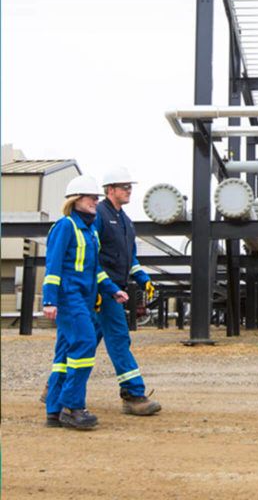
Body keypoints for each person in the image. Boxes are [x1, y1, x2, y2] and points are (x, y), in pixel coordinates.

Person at [43, 175, 129, 430]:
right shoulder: (65, 226)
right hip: (69, 299)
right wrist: (49, 300)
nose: (96, 201)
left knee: (64, 355)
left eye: (96, 198)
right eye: (91, 197)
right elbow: (53, 265)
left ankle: (54, 410)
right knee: (84, 342)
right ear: (76, 199)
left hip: (85, 298)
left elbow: (95, 270)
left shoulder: (90, 231)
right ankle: (73, 406)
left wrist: (113, 290)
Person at [93, 166, 161, 416]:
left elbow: (130, 258)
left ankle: (54, 388)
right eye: (124, 187)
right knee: (120, 338)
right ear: (110, 190)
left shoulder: (126, 222)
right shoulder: (98, 215)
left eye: (130, 186)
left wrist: (143, 278)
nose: (129, 190)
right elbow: (93, 257)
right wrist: (107, 287)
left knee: (85, 342)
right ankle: (133, 394)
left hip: (115, 290)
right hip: (104, 291)